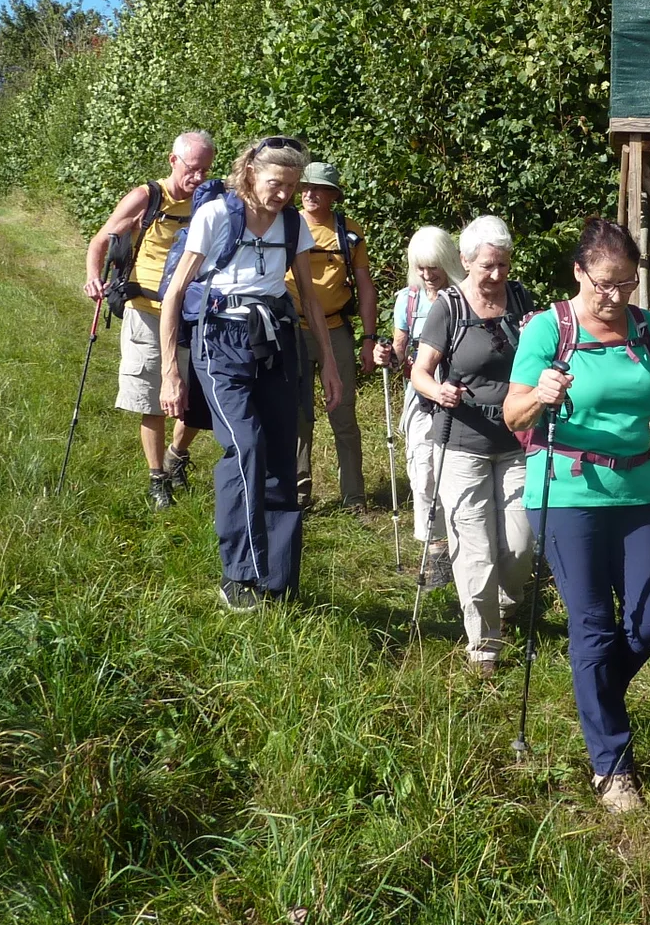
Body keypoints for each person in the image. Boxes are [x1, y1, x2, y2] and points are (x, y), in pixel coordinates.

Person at [504, 217, 650, 813]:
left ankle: (594, 696)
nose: (615, 297)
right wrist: (540, 395)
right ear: (580, 272)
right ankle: (611, 766)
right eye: (605, 284)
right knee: (591, 626)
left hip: (637, 489)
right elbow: (513, 416)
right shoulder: (548, 329)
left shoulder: (644, 329)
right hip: (566, 493)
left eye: (627, 284)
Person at [159, 135, 342, 611]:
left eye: (291, 185)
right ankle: (238, 576)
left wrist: (330, 368)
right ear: (250, 174)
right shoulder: (217, 215)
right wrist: (169, 375)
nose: (283, 193)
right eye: (276, 183)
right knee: (246, 447)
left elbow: (310, 298)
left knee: (282, 455)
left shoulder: (291, 224)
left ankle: (278, 580)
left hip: (277, 342)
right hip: (221, 342)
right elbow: (176, 294)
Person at [410, 216, 534, 675]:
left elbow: (541, 350)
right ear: (465, 262)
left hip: (519, 438)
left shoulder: (521, 299)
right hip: (461, 440)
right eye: (487, 266)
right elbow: (421, 370)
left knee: (520, 545)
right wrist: (436, 390)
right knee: (475, 548)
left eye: (503, 264)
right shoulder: (449, 307)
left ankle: (506, 602)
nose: (497, 274)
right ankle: (484, 647)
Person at [83, 129, 215, 509]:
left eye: (206, 169)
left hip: (192, 311)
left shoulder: (210, 199)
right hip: (146, 310)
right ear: (173, 161)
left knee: (194, 397)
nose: (199, 178)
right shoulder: (147, 196)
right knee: (152, 398)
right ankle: (158, 479)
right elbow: (101, 240)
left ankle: (177, 454)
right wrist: (94, 275)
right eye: (193, 169)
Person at [287, 162, 380, 512]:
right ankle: (298, 494)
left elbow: (365, 287)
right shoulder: (286, 224)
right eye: (306, 187)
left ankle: (353, 497)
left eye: (319, 188)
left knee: (343, 412)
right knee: (297, 414)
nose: (310, 193)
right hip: (292, 329)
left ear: (333, 195)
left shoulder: (348, 232)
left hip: (336, 328)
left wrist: (369, 337)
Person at [390, 225, 464, 583]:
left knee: (459, 468)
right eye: (419, 267)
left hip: (464, 397)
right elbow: (399, 352)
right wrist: (387, 355)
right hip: (421, 397)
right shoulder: (408, 299)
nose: (426, 274)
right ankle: (436, 551)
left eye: (432, 266)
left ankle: (463, 542)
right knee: (422, 471)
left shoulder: (466, 296)